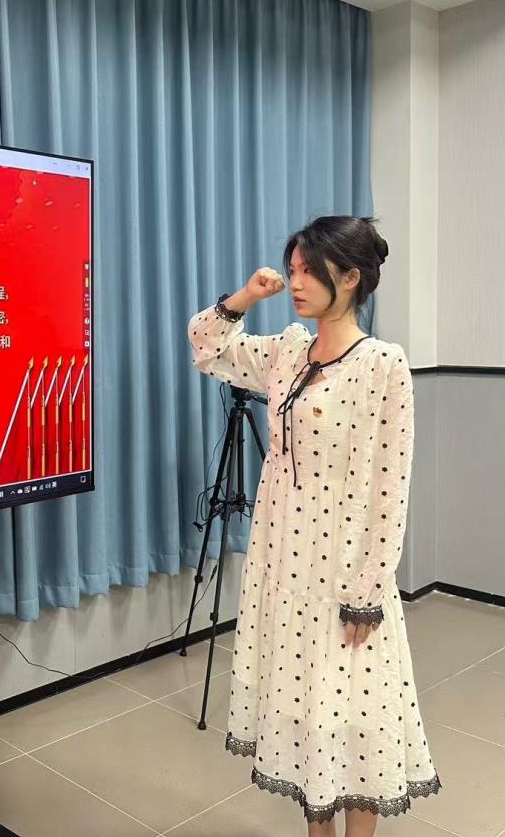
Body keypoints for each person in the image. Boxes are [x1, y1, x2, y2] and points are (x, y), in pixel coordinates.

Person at [188, 215, 440, 837]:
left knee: (356, 718)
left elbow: (391, 487)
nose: (295, 283)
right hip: (283, 567)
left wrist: (369, 589)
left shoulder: (383, 365)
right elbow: (206, 346)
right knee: (305, 713)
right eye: (292, 269)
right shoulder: (286, 352)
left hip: (345, 571)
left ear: (351, 277)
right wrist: (247, 296)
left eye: (309, 271)